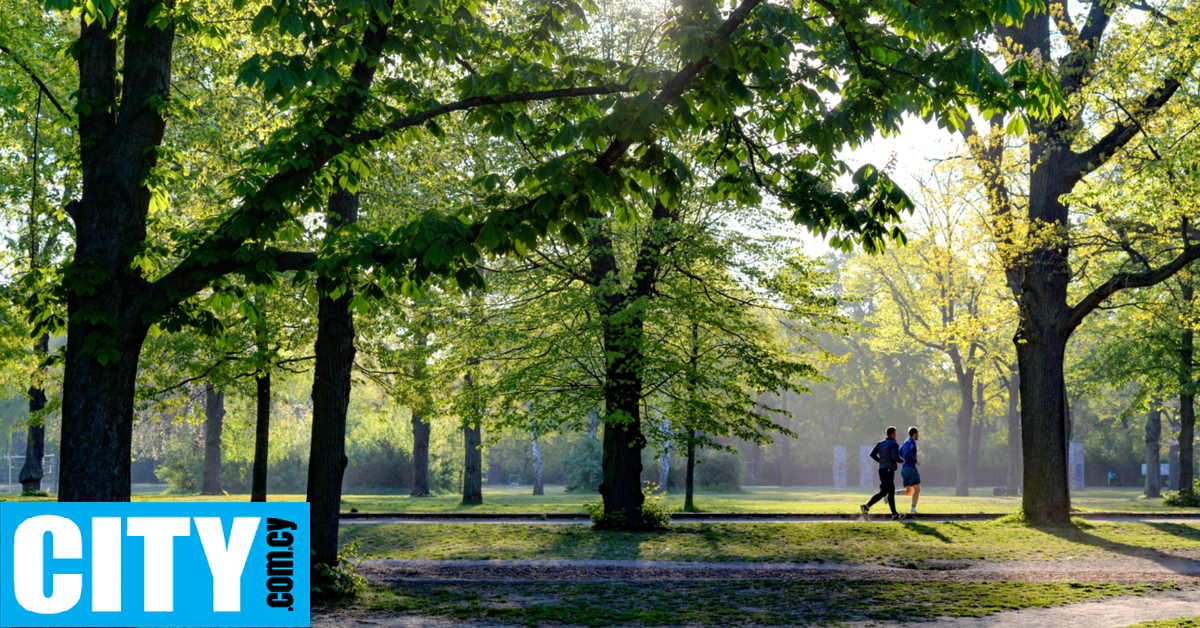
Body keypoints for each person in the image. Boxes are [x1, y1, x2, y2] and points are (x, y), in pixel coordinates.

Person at [861, 426, 905, 521]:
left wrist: (881, 461)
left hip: (881, 469)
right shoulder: (894, 443)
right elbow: (895, 457)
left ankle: (894, 514)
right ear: (893, 434)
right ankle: (866, 506)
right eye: (895, 433)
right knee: (884, 492)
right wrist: (902, 461)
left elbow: (872, 454)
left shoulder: (880, 443)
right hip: (888, 470)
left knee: (891, 492)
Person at [896, 427, 921, 516]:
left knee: (909, 491)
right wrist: (915, 461)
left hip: (904, 469)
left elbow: (899, 452)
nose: (918, 435)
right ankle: (912, 510)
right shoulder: (911, 442)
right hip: (911, 468)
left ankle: (891, 494)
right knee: (917, 490)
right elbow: (907, 453)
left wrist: (902, 461)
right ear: (914, 434)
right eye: (917, 433)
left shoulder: (905, 442)